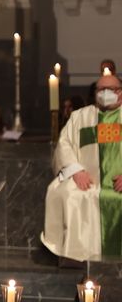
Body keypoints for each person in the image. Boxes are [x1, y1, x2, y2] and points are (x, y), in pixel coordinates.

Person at [42, 73, 122, 261]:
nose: (105, 93)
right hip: (88, 180)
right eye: (101, 89)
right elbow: (64, 144)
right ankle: (76, 258)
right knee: (67, 194)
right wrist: (76, 171)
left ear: (120, 92)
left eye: (111, 89)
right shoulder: (80, 117)